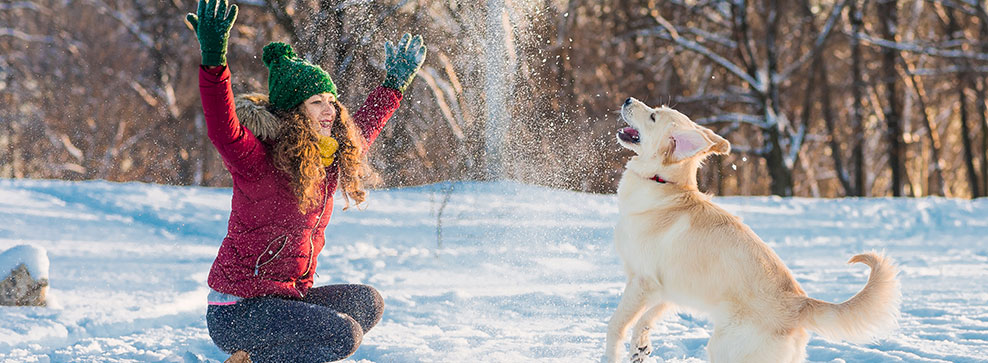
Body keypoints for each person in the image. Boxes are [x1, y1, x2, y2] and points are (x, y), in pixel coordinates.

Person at [184, 0, 426, 362]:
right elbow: (222, 126)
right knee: (343, 335)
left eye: (331, 100)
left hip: (284, 299)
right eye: (317, 101)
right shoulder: (257, 159)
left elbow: (363, 131)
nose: (329, 109)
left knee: (366, 303)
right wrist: (214, 60)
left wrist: (392, 87)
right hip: (237, 310)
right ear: (295, 111)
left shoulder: (327, 156)